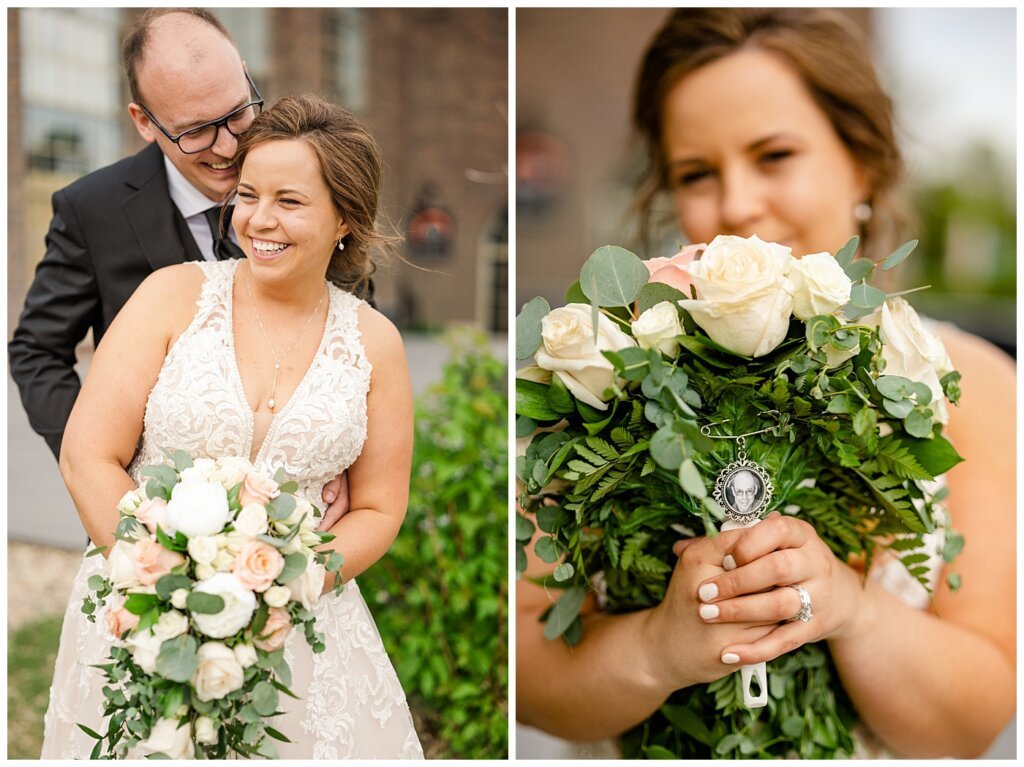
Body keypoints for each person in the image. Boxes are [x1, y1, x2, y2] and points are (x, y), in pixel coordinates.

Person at [517, 8, 1014, 759]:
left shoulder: (972, 384)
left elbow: (975, 716)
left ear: (865, 165)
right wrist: (658, 645)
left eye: (774, 155)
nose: (738, 204)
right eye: (697, 173)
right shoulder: (596, 373)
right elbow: (529, 658)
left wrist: (851, 610)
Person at [41, 94, 423, 759]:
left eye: (290, 201)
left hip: (295, 627)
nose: (259, 219)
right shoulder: (171, 296)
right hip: (141, 612)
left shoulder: (375, 344)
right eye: (248, 194)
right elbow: (87, 456)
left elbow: (381, 506)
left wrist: (291, 581)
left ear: (346, 219)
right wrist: (165, 586)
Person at [8, 8, 351, 527]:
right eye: (195, 132)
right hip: (150, 516)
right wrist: (97, 460)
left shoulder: (305, 164)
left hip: (296, 523)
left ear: (245, 73)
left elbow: (349, 292)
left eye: (238, 113)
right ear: (144, 122)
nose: (230, 147)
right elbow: (37, 351)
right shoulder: (91, 210)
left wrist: (340, 452)